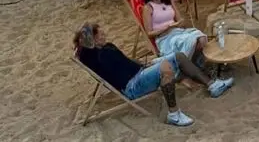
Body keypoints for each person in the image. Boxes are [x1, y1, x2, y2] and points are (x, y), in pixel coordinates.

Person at [74, 23, 232, 128]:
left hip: (140, 74)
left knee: (178, 56)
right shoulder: (93, 56)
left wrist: (145, 64)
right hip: (131, 87)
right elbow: (82, 48)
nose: (104, 35)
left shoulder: (107, 46)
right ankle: (174, 114)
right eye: (100, 34)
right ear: (92, 39)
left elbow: (126, 61)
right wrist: (88, 40)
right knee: (166, 67)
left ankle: (213, 85)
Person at [142, 0, 208, 60]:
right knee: (191, 41)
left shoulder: (169, 1)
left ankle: (190, 62)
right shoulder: (148, 7)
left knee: (202, 39)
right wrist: (167, 28)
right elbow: (149, 33)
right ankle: (186, 64)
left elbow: (180, 20)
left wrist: (180, 23)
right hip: (164, 38)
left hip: (178, 32)